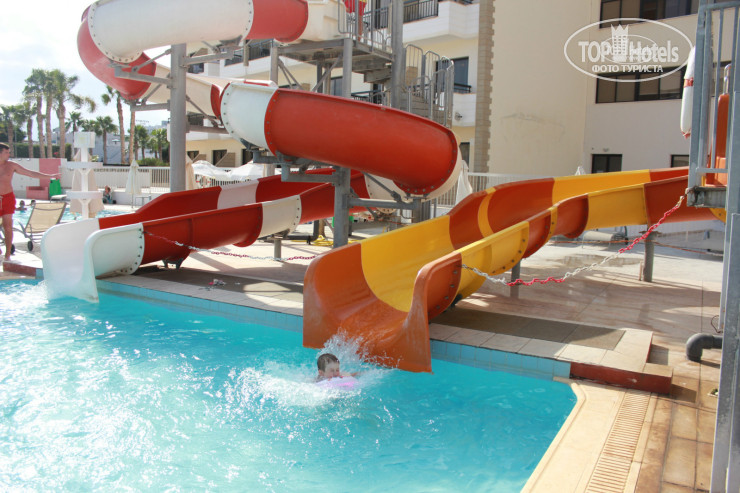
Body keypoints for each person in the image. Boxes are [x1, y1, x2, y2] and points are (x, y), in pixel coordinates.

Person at [0, 143, 60, 260]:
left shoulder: (11, 165)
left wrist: (50, 176)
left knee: (8, 227)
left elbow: (31, 173)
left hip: (7, 197)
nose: (9, 154)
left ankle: (7, 254)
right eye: (6, 152)